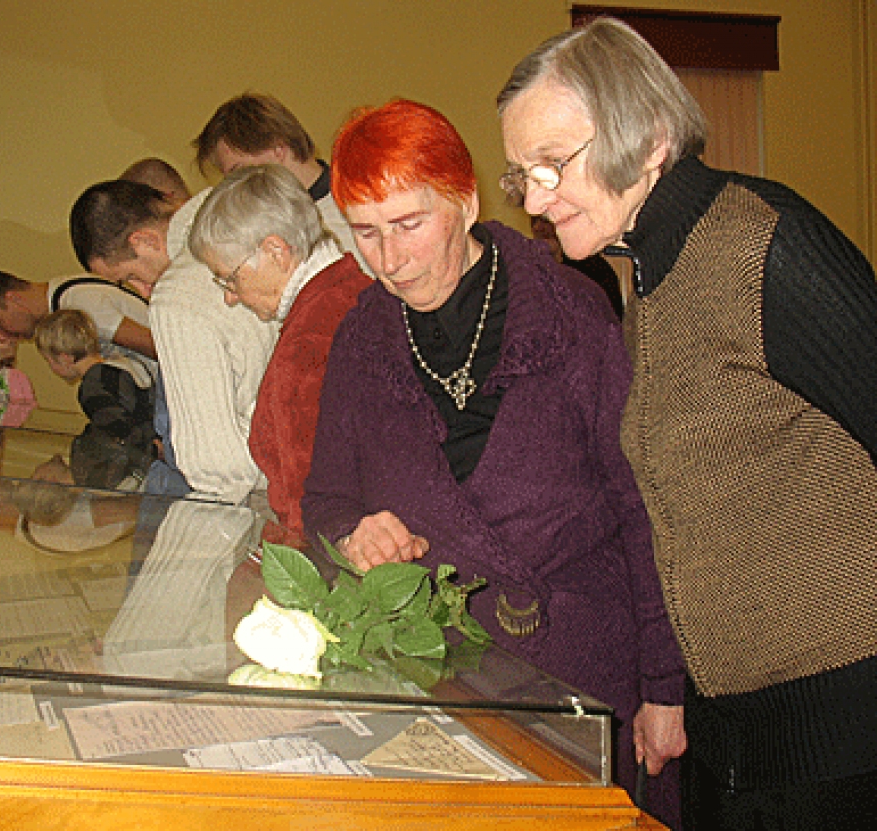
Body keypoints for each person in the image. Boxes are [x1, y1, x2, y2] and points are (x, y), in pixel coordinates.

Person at [497, 17, 877, 830]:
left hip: (840, 731)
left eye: (551, 165)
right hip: (734, 728)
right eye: (520, 176)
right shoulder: (652, 274)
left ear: (651, 136)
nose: (533, 197)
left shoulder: (763, 243)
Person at [300, 98, 685, 827]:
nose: (389, 259)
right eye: (366, 233)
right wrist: (355, 531)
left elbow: (645, 507)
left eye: (410, 225)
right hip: (443, 677)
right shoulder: (361, 341)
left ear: (465, 201)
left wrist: (664, 685)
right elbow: (323, 498)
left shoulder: (568, 311)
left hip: (588, 669)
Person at [188, 164, 371, 546]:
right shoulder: (357, 290)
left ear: (276, 251)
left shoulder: (311, 339)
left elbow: (306, 502)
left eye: (230, 277)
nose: (229, 296)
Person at [68, 179, 277, 502]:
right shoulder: (253, 228)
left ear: (146, 241)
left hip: (248, 490)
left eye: (131, 277)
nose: (143, 292)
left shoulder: (177, 295)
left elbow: (218, 468)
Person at [192, 92, 371, 275]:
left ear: (278, 148)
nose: (239, 186)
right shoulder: (268, 224)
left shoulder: (360, 204)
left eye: (239, 171)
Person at [34, 309, 156, 490]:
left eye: (49, 361)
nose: (51, 367)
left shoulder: (93, 387)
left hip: (136, 471)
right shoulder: (124, 364)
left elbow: (120, 429)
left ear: (64, 358)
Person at [0, 268, 157, 385]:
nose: (2, 336)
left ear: (13, 298)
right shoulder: (65, 296)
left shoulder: (77, 302)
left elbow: (157, 346)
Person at [530, 215, 624, 319]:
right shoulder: (528, 269)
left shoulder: (594, 268)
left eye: (545, 221)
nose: (537, 227)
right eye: (534, 221)